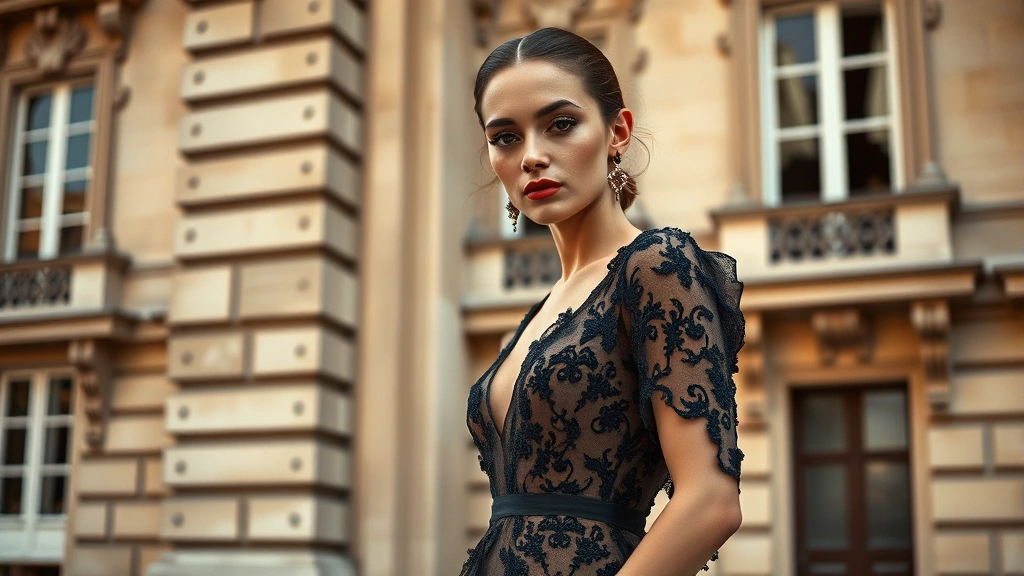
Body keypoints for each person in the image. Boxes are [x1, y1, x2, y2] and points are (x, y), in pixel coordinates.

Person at [463, 27, 746, 576]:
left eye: (560, 125)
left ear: (618, 131)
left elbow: (711, 501)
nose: (532, 156)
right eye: (506, 137)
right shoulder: (538, 314)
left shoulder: (656, 266)